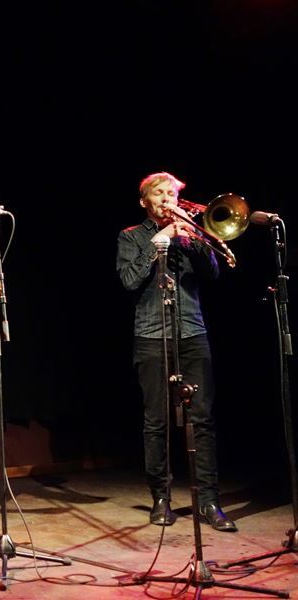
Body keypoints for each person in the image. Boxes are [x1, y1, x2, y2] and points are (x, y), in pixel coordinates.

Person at [116, 172, 237, 532]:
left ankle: (209, 501)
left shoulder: (190, 234)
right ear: (144, 201)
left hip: (193, 332)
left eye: (173, 193)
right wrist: (161, 242)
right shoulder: (131, 237)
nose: (169, 198)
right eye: (161, 193)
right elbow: (128, 280)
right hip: (152, 335)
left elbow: (213, 273)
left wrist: (192, 237)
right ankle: (161, 498)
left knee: (203, 419)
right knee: (158, 422)